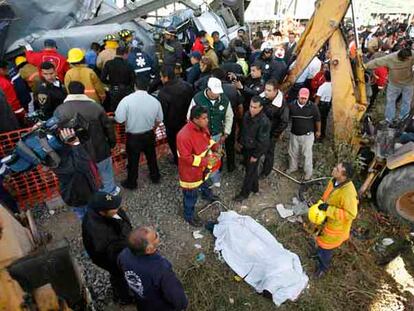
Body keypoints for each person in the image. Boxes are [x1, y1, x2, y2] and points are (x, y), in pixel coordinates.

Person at [54, 81, 118, 195]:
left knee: (88, 177)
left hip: (77, 153)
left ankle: (94, 197)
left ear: (69, 92)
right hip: (100, 148)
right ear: (83, 91)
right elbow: (108, 127)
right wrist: (112, 143)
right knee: (106, 173)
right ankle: (110, 195)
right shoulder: (96, 107)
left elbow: (57, 132)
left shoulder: (60, 110)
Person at [118, 226, 188, 310]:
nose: (158, 235)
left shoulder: (123, 255)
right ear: (149, 249)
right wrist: (183, 305)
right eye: (156, 236)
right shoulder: (161, 269)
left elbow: (121, 270)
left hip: (141, 301)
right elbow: (177, 297)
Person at [82, 191, 133, 304]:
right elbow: (114, 250)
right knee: (119, 276)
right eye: (114, 208)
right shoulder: (98, 232)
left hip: (116, 251)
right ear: (102, 212)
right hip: (111, 259)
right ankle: (124, 297)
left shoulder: (107, 211)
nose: (118, 208)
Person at [115, 78, 163, 189]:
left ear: (135, 86)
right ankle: (155, 176)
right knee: (152, 157)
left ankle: (132, 182)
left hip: (133, 137)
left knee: (133, 161)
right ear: (147, 87)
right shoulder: (154, 100)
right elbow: (159, 118)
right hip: (149, 134)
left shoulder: (126, 100)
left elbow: (119, 119)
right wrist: (153, 128)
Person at [311, 162, 358, 277]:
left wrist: (329, 209)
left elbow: (351, 214)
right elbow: (327, 196)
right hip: (325, 220)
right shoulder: (334, 181)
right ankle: (317, 253)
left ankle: (322, 267)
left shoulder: (348, 193)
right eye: (335, 166)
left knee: (327, 249)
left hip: (335, 228)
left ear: (344, 176)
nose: (333, 169)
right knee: (320, 241)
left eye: (337, 169)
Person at [177, 106, 220, 226]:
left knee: (205, 183)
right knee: (190, 196)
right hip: (190, 174)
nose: (207, 120)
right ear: (195, 119)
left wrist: (214, 146)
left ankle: (207, 195)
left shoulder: (202, 127)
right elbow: (185, 159)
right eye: (204, 118)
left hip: (203, 169)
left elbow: (208, 140)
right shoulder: (183, 136)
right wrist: (206, 161)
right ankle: (189, 215)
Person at [187, 77, 233, 188]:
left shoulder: (224, 100)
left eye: (218, 92)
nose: (217, 95)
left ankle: (215, 178)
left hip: (217, 135)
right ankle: (203, 178)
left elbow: (229, 116)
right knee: (203, 157)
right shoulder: (197, 99)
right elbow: (189, 117)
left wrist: (226, 133)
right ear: (208, 89)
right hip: (202, 137)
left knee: (216, 157)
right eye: (215, 92)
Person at [53, 128, 98, 220]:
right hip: (80, 195)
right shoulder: (60, 160)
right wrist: (75, 143)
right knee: (89, 217)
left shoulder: (54, 154)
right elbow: (83, 166)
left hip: (75, 194)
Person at [235, 96, 270, 202]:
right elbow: (243, 130)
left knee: (249, 173)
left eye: (255, 107)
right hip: (246, 147)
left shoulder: (264, 122)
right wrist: (240, 142)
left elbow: (263, 141)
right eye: (251, 106)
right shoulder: (246, 115)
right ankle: (255, 187)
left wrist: (256, 155)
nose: (252, 109)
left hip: (254, 150)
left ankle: (244, 194)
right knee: (251, 169)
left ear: (261, 108)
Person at [365, 47, 414, 123]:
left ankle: (403, 119)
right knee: (390, 101)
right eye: (407, 59)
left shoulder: (412, 55)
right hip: (394, 84)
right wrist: (365, 66)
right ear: (401, 58)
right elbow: (376, 62)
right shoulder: (390, 58)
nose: (409, 60)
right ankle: (388, 119)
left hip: (408, 83)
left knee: (406, 102)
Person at [158, 66, 193, 165]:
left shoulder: (163, 92)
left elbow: (163, 111)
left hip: (172, 125)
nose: (160, 79)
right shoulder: (187, 85)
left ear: (166, 77)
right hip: (187, 121)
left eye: (161, 77)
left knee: (174, 143)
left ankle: (178, 160)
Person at [287, 88, 321, 180]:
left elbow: (317, 120)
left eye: (305, 98)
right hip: (294, 133)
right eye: (301, 98)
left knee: (307, 154)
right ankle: (293, 167)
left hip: (308, 135)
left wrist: (318, 131)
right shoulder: (291, 105)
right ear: (298, 96)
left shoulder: (313, 107)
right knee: (293, 152)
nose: (303, 100)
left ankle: (308, 172)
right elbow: (286, 118)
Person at [260, 79, 289, 177]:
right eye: (265, 89)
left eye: (269, 90)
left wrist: (274, 135)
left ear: (276, 91)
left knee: (269, 152)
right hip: (261, 130)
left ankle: (266, 172)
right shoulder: (263, 97)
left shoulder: (282, 105)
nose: (266, 92)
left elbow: (284, 122)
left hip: (271, 133)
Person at [101, 46, 135, 112]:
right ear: (125, 54)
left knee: (115, 109)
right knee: (126, 109)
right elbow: (133, 80)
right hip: (126, 90)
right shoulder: (128, 65)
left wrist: (111, 82)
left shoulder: (109, 63)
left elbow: (102, 78)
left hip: (114, 90)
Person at [314, 71, 332, 140]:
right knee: (324, 120)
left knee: (318, 120)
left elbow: (318, 98)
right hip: (328, 104)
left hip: (321, 105)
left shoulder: (322, 86)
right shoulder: (333, 86)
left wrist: (315, 106)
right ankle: (323, 135)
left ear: (324, 77)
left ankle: (317, 135)